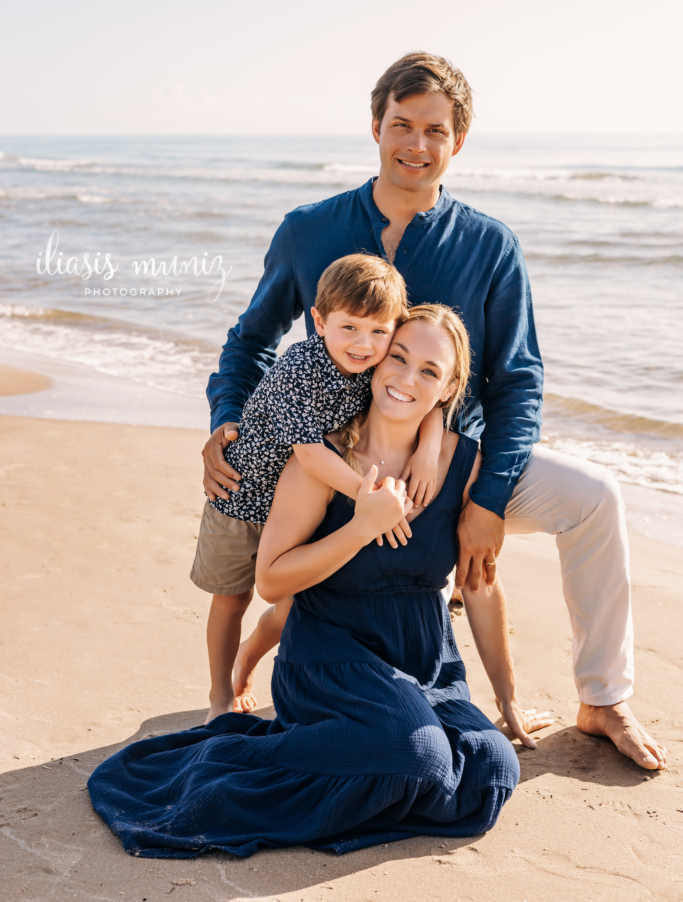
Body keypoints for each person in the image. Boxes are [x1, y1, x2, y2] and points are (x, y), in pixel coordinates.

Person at [203, 52, 666, 771]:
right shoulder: (309, 229)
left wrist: (484, 496)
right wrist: (226, 421)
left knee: (594, 498)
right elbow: (250, 342)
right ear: (375, 126)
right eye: (401, 125)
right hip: (335, 467)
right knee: (286, 587)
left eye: (435, 131)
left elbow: (517, 380)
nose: (416, 145)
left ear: (457, 142)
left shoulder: (489, 244)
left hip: (454, 463)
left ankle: (601, 696)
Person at [89, 306, 550, 857]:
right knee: (418, 757)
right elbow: (271, 581)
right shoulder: (321, 458)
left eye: (429, 371)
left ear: (450, 387)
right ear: (376, 359)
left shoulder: (462, 463)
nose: (406, 378)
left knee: (496, 766)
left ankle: (384, 760)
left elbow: (478, 584)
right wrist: (359, 528)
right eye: (397, 357)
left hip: (424, 658)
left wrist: (508, 696)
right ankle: (340, 756)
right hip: (329, 652)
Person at [192, 253, 445, 720]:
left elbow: (424, 398)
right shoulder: (300, 367)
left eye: (378, 331)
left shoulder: (376, 363)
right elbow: (309, 454)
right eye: (349, 327)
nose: (363, 344)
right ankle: (219, 696)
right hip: (240, 496)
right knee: (231, 599)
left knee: (296, 605)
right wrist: (366, 498)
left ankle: (251, 655)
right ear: (320, 320)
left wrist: (429, 447)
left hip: (296, 505)